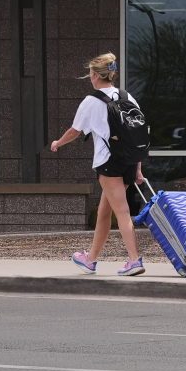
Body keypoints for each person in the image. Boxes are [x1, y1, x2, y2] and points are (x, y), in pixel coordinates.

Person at [51, 52, 146, 276]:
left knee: (122, 212)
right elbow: (137, 134)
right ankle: (90, 259)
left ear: (95, 75)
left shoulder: (91, 101)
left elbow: (75, 131)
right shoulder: (127, 97)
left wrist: (58, 143)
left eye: (90, 74)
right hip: (129, 161)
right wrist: (138, 168)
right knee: (104, 211)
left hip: (109, 163)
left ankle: (135, 261)